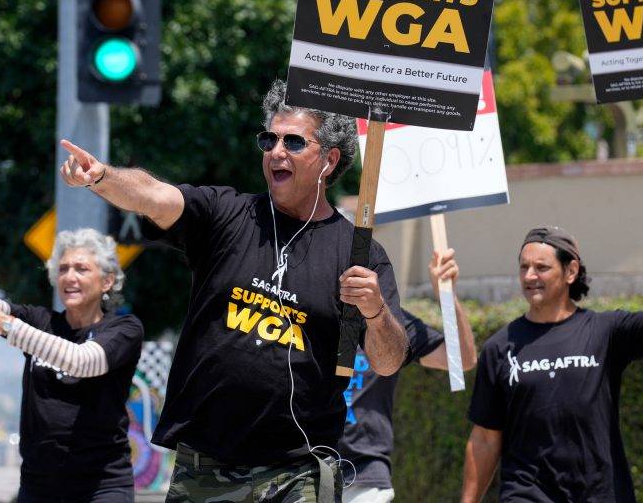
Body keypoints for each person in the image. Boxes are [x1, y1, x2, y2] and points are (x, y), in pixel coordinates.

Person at [59, 79, 409, 502]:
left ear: (329, 160)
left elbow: (389, 362)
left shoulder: (361, 255)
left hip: (298, 472)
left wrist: (374, 311)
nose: (276, 152)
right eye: (269, 139)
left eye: (294, 142)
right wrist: (102, 176)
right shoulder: (226, 214)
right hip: (205, 466)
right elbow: (154, 196)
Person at [461, 224, 643, 502]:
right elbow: (485, 438)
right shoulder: (499, 347)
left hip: (599, 494)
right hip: (527, 494)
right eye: (524, 267)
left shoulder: (606, 331)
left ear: (571, 271)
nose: (530, 276)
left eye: (541, 267)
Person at [0, 212, 143, 503]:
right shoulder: (40, 321)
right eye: (62, 269)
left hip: (102, 487)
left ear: (106, 281)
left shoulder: (123, 329)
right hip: (39, 485)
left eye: (81, 269)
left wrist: (6, 325)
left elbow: (82, 361)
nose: (69, 277)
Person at [339, 248, 478, 503]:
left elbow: (461, 360)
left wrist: (446, 295)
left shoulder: (392, 323)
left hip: (365, 478)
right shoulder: (303, 309)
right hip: (304, 468)